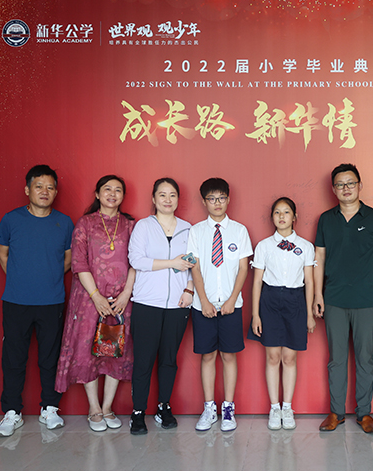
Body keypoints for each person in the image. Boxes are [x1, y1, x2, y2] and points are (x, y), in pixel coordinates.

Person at [313, 163, 373, 434]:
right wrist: (318, 294)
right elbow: (319, 257)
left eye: (350, 183)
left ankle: (364, 413)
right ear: (333, 189)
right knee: (336, 359)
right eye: (340, 184)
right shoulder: (326, 219)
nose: (345, 188)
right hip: (334, 299)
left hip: (367, 300)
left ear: (360, 185)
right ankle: (336, 413)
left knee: (365, 359)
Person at [0, 165, 74, 437]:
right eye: (39, 186)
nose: (44, 191)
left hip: (52, 301)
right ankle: (12, 412)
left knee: (50, 357)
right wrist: (21, 278)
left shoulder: (65, 222)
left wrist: (47, 277)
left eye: (50, 187)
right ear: (27, 190)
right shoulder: (11, 219)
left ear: (56, 192)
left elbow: (68, 259)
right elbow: (3, 254)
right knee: (13, 357)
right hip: (16, 300)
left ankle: (49, 408)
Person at [54, 175, 136, 432]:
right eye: (107, 189)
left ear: (123, 196)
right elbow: (79, 263)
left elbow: (137, 262)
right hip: (89, 300)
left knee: (115, 348)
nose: (112, 194)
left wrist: (126, 294)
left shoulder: (130, 225)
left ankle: (108, 406)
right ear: (98, 194)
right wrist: (96, 297)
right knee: (89, 349)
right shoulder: (85, 223)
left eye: (118, 190)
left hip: (121, 300)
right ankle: (94, 408)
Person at [127, 178, 195, 435]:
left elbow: (193, 263)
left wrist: (189, 289)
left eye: (172, 195)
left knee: (169, 360)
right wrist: (171, 263)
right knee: (143, 360)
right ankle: (138, 412)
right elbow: (136, 260)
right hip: (147, 303)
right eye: (162, 195)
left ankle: (163, 407)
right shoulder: (144, 226)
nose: (168, 199)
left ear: (178, 199)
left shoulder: (188, 229)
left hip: (178, 305)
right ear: (154, 199)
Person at [187, 178, 252, 432]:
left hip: (231, 305)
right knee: (207, 355)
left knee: (228, 355)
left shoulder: (239, 230)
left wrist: (232, 299)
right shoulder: (196, 231)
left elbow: (243, 268)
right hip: (202, 305)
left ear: (228, 199)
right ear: (204, 201)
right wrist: (203, 300)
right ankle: (209, 408)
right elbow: (195, 267)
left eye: (222, 198)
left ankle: (228, 408)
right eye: (212, 198)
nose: (217, 203)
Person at [248, 197, 316, 430]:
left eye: (286, 212)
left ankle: (287, 407)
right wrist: (255, 315)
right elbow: (257, 282)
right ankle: (274, 407)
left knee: (289, 357)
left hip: (295, 301)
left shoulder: (306, 246)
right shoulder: (264, 246)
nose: (281, 216)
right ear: (272, 217)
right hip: (270, 301)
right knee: (272, 356)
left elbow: (309, 281)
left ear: (294, 217)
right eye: (277, 212)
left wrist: (309, 314)